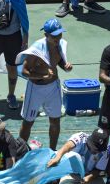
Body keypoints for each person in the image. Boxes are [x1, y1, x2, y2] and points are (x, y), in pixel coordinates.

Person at [17, 19, 73, 150]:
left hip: (53, 87)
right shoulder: (36, 50)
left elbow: (58, 62)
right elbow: (24, 71)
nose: (58, 38)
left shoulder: (60, 45)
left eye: (60, 34)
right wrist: (42, 76)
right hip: (35, 89)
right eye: (54, 36)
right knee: (28, 122)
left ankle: (52, 151)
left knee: (55, 120)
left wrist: (66, 67)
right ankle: (20, 151)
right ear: (46, 35)